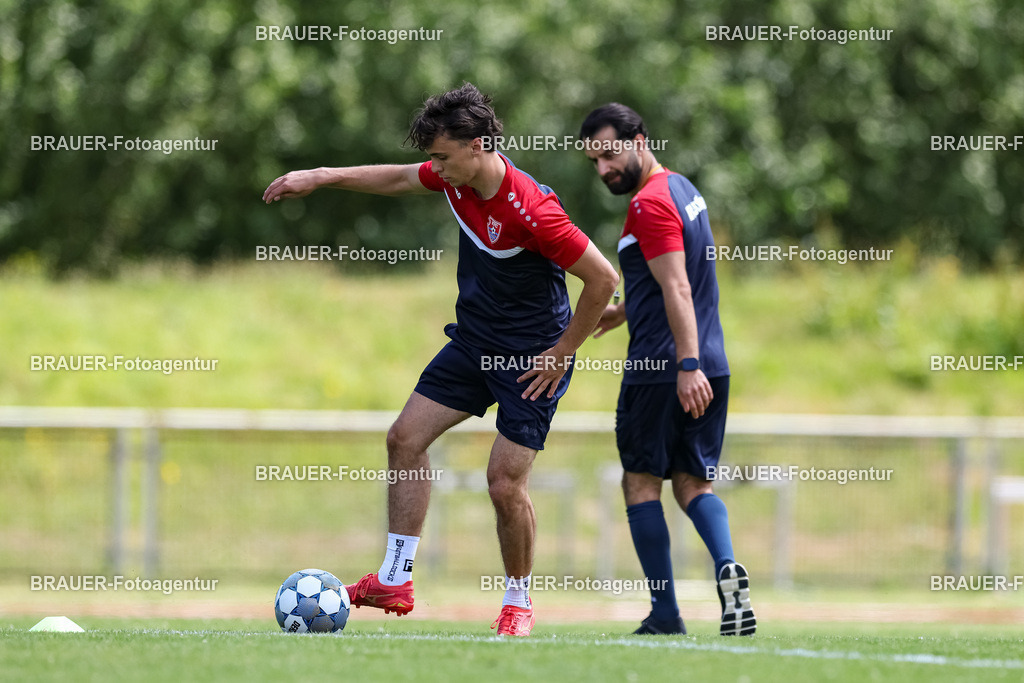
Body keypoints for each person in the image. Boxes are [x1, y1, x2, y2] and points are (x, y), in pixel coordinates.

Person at [263, 83, 619, 637]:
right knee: (404, 439)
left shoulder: (532, 208)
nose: (434, 168)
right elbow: (399, 179)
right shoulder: (456, 177)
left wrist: (562, 352)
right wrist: (321, 176)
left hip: (532, 359)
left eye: (442, 157)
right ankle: (395, 579)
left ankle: (518, 602)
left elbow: (602, 279)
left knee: (503, 483)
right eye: (432, 157)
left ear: (478, 146)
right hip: (475, 343)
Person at [580, 103, 755, 636]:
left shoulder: (648, 204)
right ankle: (727, 567)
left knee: (640, 483)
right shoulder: (683, 190)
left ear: (639, 140)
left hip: (666, 369)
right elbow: (675, 279)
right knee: (693, 483)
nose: (604, 169)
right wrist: (625, 310)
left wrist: (685, 364)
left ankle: (664, 613)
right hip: (711, 363)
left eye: (610, 154)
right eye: (594, 161)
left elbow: (677, 284)